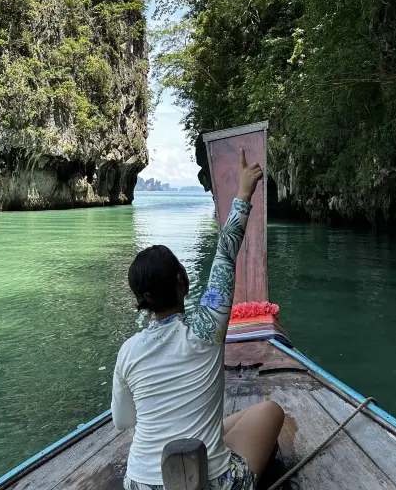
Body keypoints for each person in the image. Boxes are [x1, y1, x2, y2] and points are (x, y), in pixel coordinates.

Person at [112, 149, 285, 490]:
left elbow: (123, 422)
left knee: (220, 425)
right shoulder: (207, 329)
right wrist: (244, 191)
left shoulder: (128, 352)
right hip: (210, 483)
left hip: (139, 484)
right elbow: (225, 251)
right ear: (181, 279)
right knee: (270, 411)